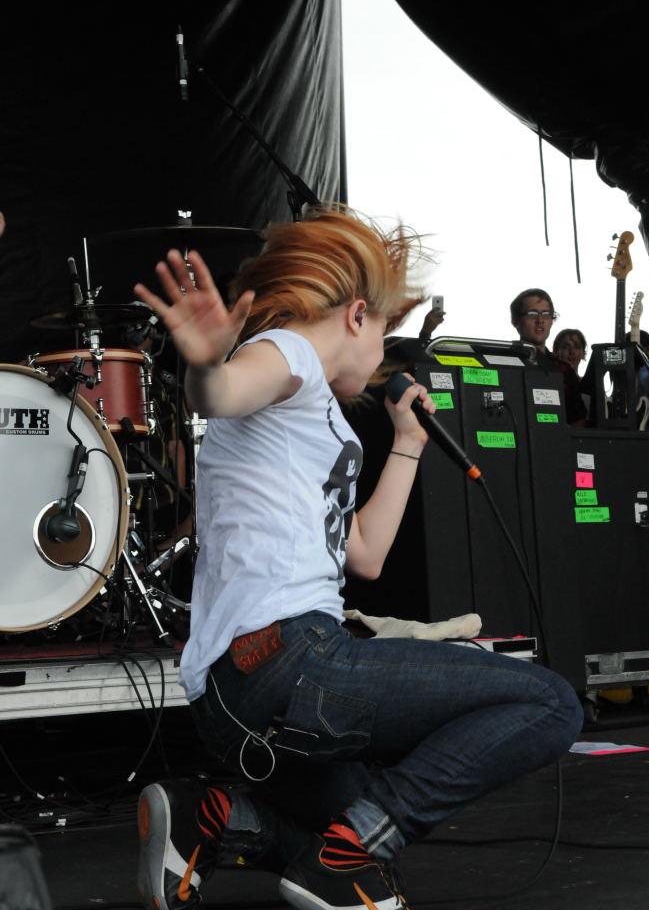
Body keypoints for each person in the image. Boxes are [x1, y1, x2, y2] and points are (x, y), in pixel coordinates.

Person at [134, 209, 583, 910]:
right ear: (355, 315)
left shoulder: (311, 424)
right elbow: (222, 392)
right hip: (289, 660)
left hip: (236, 696)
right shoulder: (288, 354)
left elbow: (366, 555)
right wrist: (207, 366)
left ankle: (218, 818)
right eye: (382, 333)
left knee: (344, 827)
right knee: (550, 703)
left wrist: (407, 443)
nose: (382, 357)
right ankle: (352, 856)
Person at [510, 288, 587, 427]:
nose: (540, 320)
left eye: (546, 314)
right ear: (515, 321)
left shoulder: (564, 370)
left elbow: (578, 422)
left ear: (551, 320)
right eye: (532, 313)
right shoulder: (501, 362)